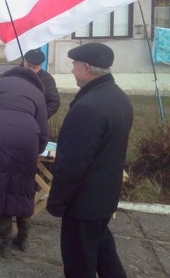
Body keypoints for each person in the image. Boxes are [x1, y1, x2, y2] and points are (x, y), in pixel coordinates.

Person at [46, 43, 133, 278]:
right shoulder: (119, 97)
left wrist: (57, 202)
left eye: (74, 65)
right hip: (104, 197)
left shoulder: (88, 107)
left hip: (83, 204)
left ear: (86, 67)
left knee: (79, 263)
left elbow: (72, 165)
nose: (72, 70)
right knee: (102, 250)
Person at [0, 66, 49, 257]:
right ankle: (23, 238)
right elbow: (42, 126)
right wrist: (37, 149)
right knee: (23, 189)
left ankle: (4, 241)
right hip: (26, 141)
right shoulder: (37, 93)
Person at [22, 49, 60, 118]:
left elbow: (54, 102)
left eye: (34, 67)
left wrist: (40, 117)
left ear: (40, 66)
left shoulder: (47, 79)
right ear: (24, 61)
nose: (30, 69)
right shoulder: (13, 75)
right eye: (28, 66)